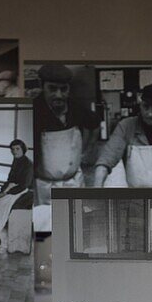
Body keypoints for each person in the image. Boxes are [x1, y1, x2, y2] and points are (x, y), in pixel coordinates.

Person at [33, 63, 101, 205]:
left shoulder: (76, 107)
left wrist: (85, 153)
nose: (59, 95)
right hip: (45, 188)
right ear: (41, 85)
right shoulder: (34, 111)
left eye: (63, 89)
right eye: (52, 89)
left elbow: (94, 126)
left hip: (75, 182)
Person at [0, 139, 35, 247]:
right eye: (12, 149)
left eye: (17, 149)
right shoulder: (16, 161)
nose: (15, 151)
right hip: (12, 189)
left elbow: (24, 185)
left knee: (1, 208)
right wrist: (2, 191)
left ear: (23, 149)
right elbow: (9, 179)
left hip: (23, 191)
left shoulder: (28, 164)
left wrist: (7, 193)